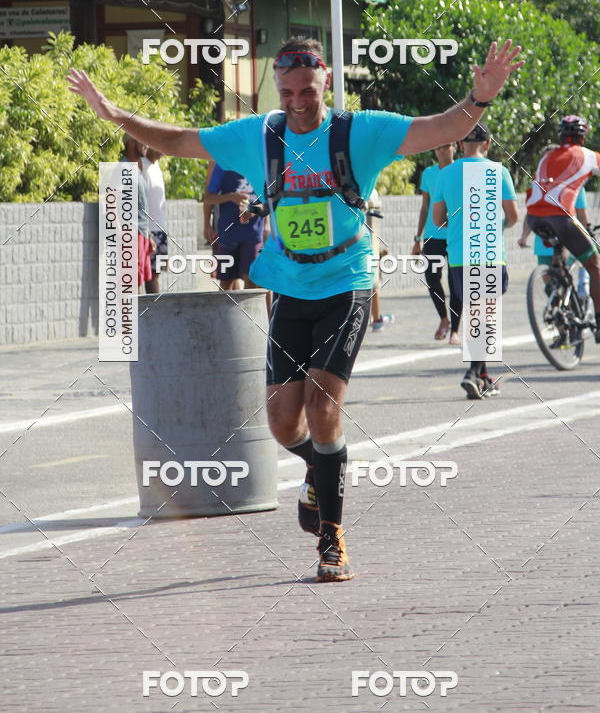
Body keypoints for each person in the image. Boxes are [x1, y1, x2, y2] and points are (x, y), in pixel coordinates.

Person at [68, 36, 523, 582]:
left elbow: (439, 128)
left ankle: (332, 537)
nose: (298, 101)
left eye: (307, 90)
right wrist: (115, 114)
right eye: (287, 92)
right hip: (288, 283)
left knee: (324, 406)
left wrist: (479, 100)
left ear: (326, 81)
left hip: (347, 279)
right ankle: (320, 467)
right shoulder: (259, 135)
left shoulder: (361, 132)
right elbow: (180, 139)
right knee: (284, 422)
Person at [432, 122, 519, 399]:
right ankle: (472, 372)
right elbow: (513, 217)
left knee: (477, 314)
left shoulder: (445, 174)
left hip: (459, 256)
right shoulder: (499, 171)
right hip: (490, 253)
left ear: (459, 145)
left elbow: (437, 220)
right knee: (485, 315)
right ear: (488, 144)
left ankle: (481, 377)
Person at [525, 116, 600, 341]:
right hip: (561, 217)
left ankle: (560, 305)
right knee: (595, 266)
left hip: (534, 217)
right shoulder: (587, 155)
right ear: (583, 136)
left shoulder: (547, 156)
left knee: (559, 259)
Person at [412, 143, 462, 344]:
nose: (442, 150)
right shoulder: (429, 173)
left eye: (447, 146)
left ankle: (455, 330)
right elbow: (425, 207)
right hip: (433, 235)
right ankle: (444, 319)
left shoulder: (461, 170)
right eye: (439, 147)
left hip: (456, 234)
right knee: (431, 278)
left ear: (455, 147)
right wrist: (417, 238)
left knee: (455, 281)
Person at [203, 165, 265, 291]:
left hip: (252, 234)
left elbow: (271, 201)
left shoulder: (260, 164)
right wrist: (231, 196)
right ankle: (224, 311)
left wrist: (253, 211)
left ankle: (249, 311)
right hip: (227, 234)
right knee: (226, 283)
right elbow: (208, 197)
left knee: (252, 280)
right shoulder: (222, 164)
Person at [121, 135, 153, 293]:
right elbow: (111, 202)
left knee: (138, 283)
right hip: (131, 235)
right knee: (131, 287)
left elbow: (140, 206)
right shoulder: (122, 168)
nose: (147, 144)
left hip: (141, 234)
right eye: (143, 140)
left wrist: (148, 235)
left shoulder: (137, 168)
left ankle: (139, 318)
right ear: (131, 143)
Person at [141, 148, 168, 294]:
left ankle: (154, 312)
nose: (162, 150)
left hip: (160, 230)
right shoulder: (141, 165)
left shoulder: (156, 167)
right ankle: (145, 313)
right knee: (146, 276)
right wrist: (146, 231)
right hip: (148, 230)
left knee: (155, 274)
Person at [366, 188, 394, 331]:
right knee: (374, 279)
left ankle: (375, 318)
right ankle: (376, 319)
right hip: (368, 247)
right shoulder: (370, 191)